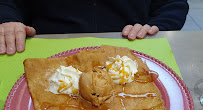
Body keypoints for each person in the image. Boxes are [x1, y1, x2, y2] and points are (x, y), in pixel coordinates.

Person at [0, 0, 189, 55]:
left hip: (133, 46)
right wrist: (7, 20)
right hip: (45, 49)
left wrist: (154, 27)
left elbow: (173, 5)